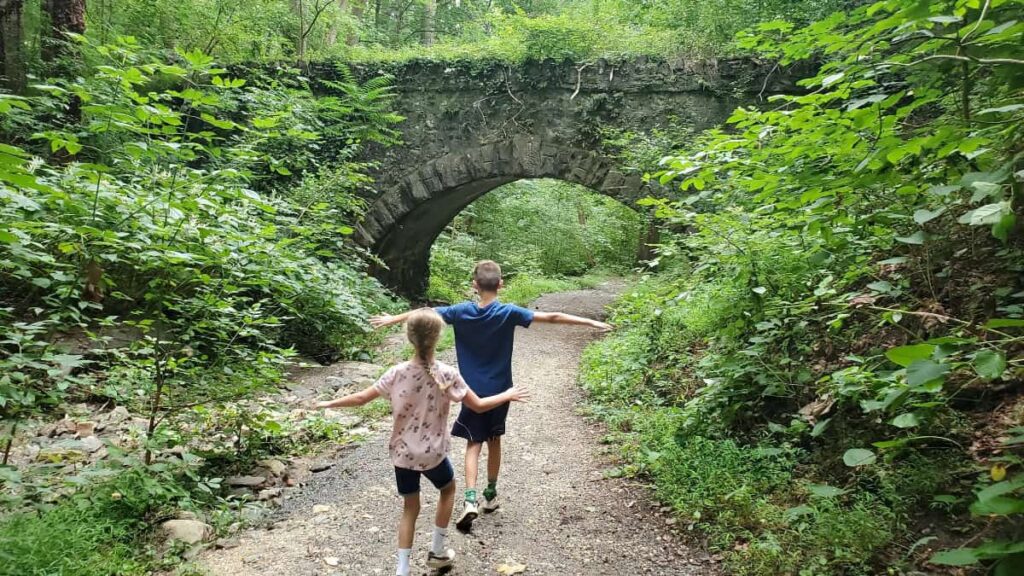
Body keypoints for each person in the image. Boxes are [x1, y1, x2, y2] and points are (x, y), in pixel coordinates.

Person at [370, 260, 611, 532]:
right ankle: (490, 494)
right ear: (501, 284)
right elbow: (552, 317)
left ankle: (470, 498)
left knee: (473, 443)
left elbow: (425, 313)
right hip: (501, 389)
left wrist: (393, 318)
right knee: (494, 439)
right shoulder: (508, 312)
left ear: (474, 285)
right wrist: (591, 321)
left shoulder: (460, 311)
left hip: (470, 390)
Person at [314, 308, 531, 576]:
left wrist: (327, 402)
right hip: (433, 456)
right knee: (448, 490)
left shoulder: (395, 373)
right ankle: (437, 551)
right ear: (438, 337)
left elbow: (360, 399)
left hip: (402, 455)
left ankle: (402, 569)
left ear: (409, 337)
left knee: (410, 508)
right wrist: (507, 394)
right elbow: (480, 405)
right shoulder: (448, 374)